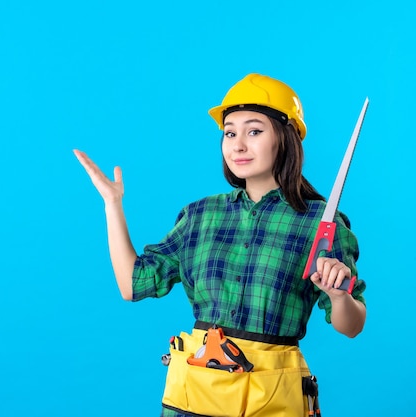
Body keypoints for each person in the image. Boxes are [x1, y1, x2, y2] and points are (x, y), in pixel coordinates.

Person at [73, 73, 366, 417]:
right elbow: (132, 283)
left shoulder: (322, 224)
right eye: (230, 132)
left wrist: (337, 294)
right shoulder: (200, 215)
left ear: (284, 139)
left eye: (254, 131)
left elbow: (352, 325)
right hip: (194, 398)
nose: (238, 145)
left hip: (271, 401)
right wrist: (112, 204)